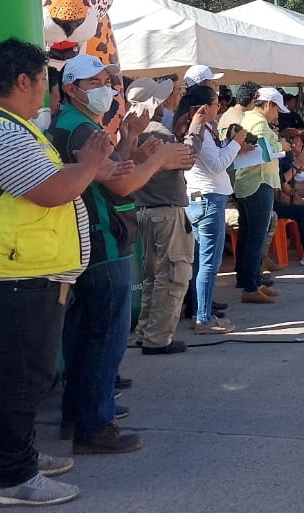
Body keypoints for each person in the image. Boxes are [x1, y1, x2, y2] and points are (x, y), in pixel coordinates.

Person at [0, 39, 120, 507]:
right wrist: (90, 164)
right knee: (22, 378)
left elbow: (48, 180)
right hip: (14, 274)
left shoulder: (13, 127)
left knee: (25, 374)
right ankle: (15, 475)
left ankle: (20, 455)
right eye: (44, 84)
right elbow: (52, 191)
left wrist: (87, 168)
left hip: (25, 270)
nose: (48, 96)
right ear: (22, 81)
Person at [50, 55, 165, 454]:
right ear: (71, 89)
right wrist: (160, 160)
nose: (106, 89)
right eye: (94, 82)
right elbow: (121, 184)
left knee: (85, 334)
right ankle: (95, 425)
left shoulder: (77, 124)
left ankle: (79, 415)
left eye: (107, 81)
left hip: (92, 240)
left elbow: (113, 170)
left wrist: (130, 141)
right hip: (102, 240)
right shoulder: (79, 128)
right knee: (104, 337)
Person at [126, 76, 202, 355]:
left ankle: (146, 331)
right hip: (166, 212)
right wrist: (195, 129)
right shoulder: (158, 131)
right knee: (172, 275)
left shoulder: (134, 132)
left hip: (144, 210)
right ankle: (158, 337)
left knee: (153, 277)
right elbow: (188, 158)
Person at [180, 83, 245, 334]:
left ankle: (200, 312)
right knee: (209, 262)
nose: (220, 107)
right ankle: (204, 318)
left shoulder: (203, 129)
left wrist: (228, 142)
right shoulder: (200, 132)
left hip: (203, 198)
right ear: (205, 107)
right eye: (217, 104)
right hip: (208, 198)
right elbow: (217, 165)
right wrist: (236, 143)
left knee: (200, 260)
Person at [233, 83, 286, 305]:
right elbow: (265, 152)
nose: (277, 115)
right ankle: (251, 287)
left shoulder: (249, 119)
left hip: (249, 182)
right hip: (259, 182)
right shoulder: (259, 123)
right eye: (277, 109)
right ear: (268, 104)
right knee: (256, 237)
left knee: (248, 235)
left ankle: (251, 280)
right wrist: (282, 146)